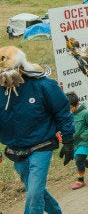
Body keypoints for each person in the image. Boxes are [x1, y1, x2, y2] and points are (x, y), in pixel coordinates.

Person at [0, 46, 75, 214]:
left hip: (41, 145)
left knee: (34, 194)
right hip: (16, 149)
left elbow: (62, 111)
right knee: (36, 190)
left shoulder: (43, 85)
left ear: (20, 67)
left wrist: (68, 139)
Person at [66, 91, 88, 190]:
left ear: (76, 104)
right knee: (79, 159)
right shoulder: (68, 115)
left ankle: (80, 180)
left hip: (85, 141)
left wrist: (83, 136)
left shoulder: (85, 113)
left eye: (70, 108)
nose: (68, 111)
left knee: (79, 160)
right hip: (75, 142)